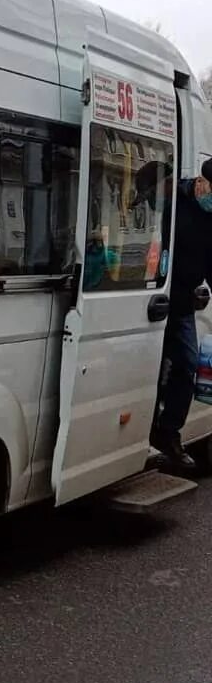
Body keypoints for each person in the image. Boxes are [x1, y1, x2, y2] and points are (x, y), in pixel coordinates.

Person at [150, 156, 212, 472]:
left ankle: (168, 431)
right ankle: (147, 421)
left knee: (187, 363)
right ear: (201, 183)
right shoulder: (174, 198)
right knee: (151, 364)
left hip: (183, 303)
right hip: (153, 294)